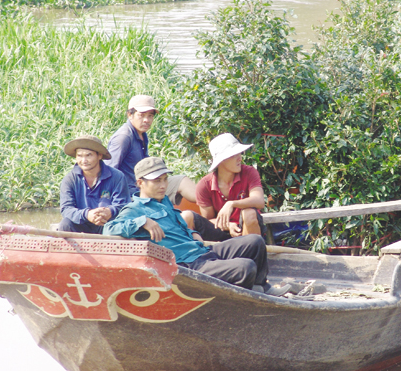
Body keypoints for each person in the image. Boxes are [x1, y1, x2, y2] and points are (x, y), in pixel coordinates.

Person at [103, 157, 289, 296]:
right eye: (156, 181)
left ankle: (261, 287)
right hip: (188, 265)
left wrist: (192, 232)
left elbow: (178, 225)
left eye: (165, 179)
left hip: (201, 252)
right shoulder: (134, 210)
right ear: (140, 183)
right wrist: (142, 221)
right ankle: (250, 293)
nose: (163, 185)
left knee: (255, 241)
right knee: (245, 267)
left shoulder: (164, 202)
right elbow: (108, 230)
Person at [105, 94, 197, 205]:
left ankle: (214, 210)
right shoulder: (123, 137)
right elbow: (108, 171)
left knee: (182, 181)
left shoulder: (142, 134)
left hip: (148, 183)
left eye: (150, 116)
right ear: (130, 115)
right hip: (132, 193)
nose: (146, 120)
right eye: (141, 115)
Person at [195, 133, 266, 238]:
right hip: (222, 233)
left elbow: (259, 201)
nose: (240, 158)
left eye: (239, 153)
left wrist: (231, 204)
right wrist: (227, 225)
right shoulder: (204, 185)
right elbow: (207, 221)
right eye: (234, 155)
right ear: (222, 160)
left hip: (250, 228)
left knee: (249, 214)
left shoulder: (249, 172)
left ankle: (252, 249)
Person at [59, 135, 130, 234]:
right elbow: (66, 209)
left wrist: (110, 211)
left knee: (120, 226)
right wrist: (87, 214)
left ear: (100, 156)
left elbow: (123, 205)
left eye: (89, 155)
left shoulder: (117, 177)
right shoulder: (70, 179)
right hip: (81, 223)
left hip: (107, 224)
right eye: (79, 156)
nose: (84, 161)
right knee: (65, 224)